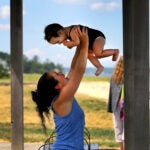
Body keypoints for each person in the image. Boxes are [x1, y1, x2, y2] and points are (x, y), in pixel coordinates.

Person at [31, 27, 88, 149]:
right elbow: (80, 70)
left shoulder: (63, 95)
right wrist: (86, 43)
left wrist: (79, 45)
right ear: (57, 86)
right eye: (57, 74)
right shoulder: (62, 99)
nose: (62, 73)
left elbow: (73, 68)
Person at [44, 23, 119, 76]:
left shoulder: (72, 30)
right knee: (88, 55)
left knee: (98, 54)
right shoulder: (67, 35)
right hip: (89, 42)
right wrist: (69, 45)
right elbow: (74, 44)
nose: (60, 43)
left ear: (60, 32)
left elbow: (76, 42)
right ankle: (99, 67)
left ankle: (115, 51)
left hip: (97, 37)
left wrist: (67, 44)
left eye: (57, 41)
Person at [107, 56, 124, 150]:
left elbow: (111, 93)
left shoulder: (114, 76)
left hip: (116, 105)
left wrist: (110, 106)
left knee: (118, 127)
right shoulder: (130, 76)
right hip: (125, 105)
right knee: (126, 129)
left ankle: (122, 148)